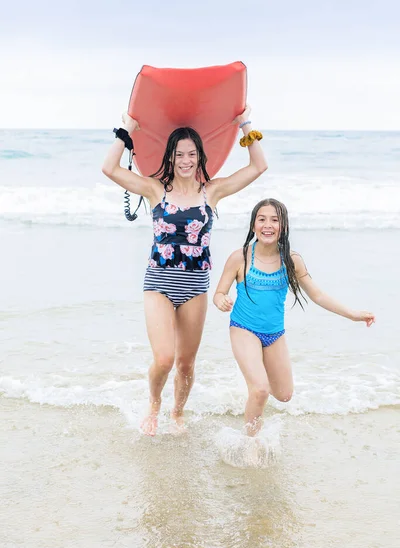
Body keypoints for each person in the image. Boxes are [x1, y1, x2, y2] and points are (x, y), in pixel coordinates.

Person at [102, 107, 267, 436]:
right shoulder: (154, 189)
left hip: (195, 288)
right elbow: (109, 168)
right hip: (159, 284)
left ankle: (177, 412)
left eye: (192, 154)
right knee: (164, 358)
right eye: (180, 154)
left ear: (200, 156)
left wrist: (244, 123)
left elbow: (258, 166)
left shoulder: (212, 192)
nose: (186, 160)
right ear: (171, 157)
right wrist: (126, 129)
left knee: (186, 364)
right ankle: (154, 403)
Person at [213, 199, 376, 436]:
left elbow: (317, 295)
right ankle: (250, 442)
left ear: (284, 227)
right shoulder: (240, 258)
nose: (268, 225)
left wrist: (352, 314)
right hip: (243, 328)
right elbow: (219, 293)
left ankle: (253, 384)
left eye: (275, 220)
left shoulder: (292, 260)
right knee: (260, 390)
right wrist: (221, 301)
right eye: (262, 219)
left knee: (284, 395)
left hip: (274, 334)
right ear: (253, 225)